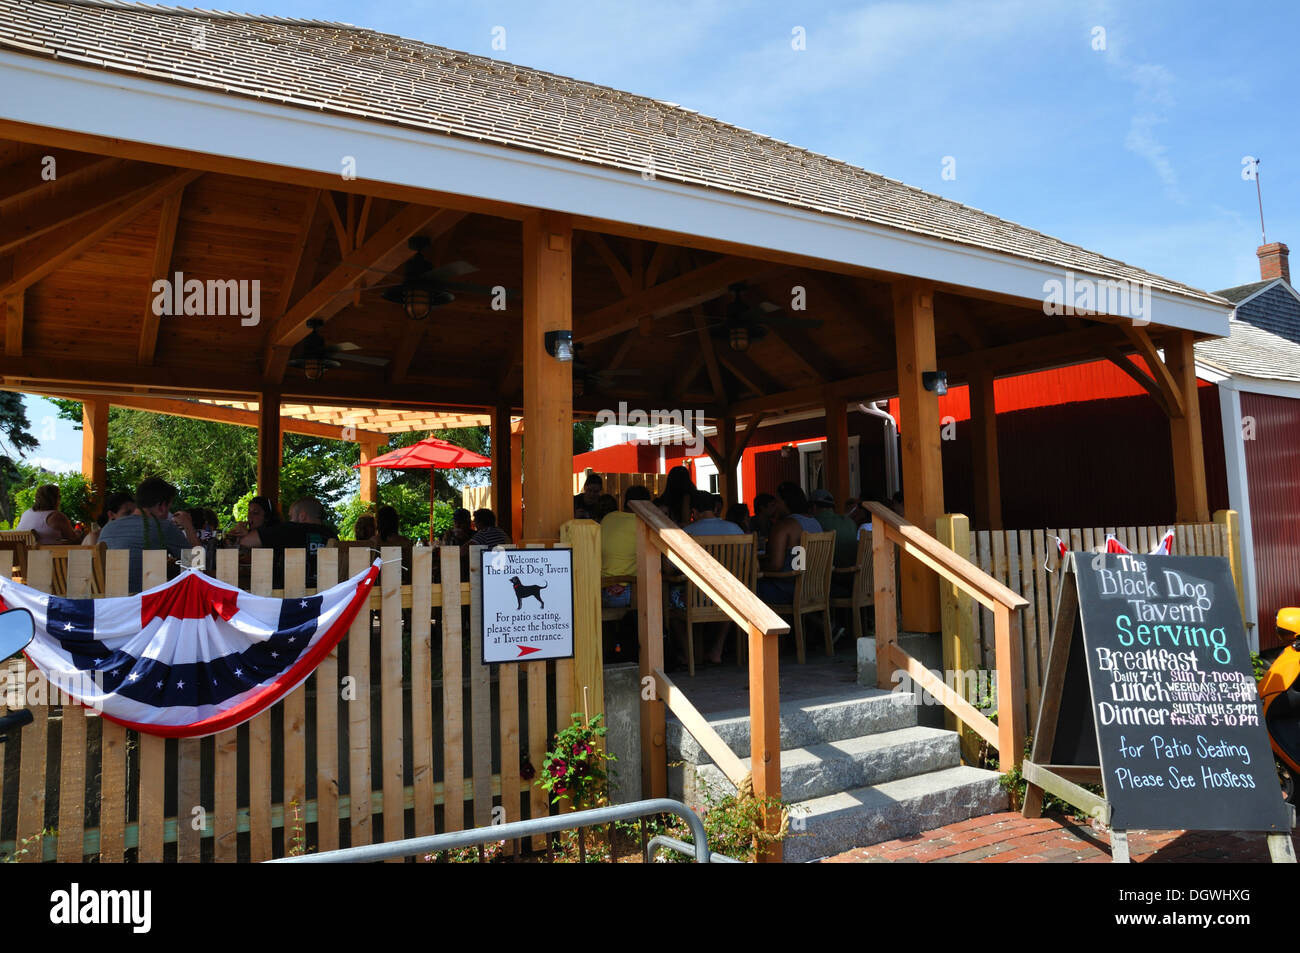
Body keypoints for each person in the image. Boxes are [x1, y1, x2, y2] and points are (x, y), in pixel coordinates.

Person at [99, 477, 198, 592]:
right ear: (162, 506)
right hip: (146, 601)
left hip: (109, 603)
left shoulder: (107, 528)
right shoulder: (164, 527)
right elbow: (196, 564)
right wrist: (188, 524)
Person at [237, 496, 337, 588]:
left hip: (292, 597)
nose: (290, 520)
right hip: (327, 596)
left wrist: (241, 531)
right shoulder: (332, 534)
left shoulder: (291, 529)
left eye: (291, 516)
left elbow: (246, 541)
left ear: (302, 516)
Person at [758, 484, 821, 604]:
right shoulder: (815, 523)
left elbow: (776, 565)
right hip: (814, 589)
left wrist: (755, 568)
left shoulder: (784, 526)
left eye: (777, 501)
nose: (775, 505)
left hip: (788, 590)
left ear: (786, 502)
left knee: (746, 586)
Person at [600, 485, 649, 608]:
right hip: (626, 593)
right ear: (646, 505)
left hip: (599, 590)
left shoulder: (608, 518)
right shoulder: (643, 524)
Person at [17, 484, 82, 544]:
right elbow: (75, 539)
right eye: (59, 496)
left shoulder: (25, 514)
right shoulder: (55, 516)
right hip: (49, 555)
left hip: (24, 555)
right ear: (54, 499)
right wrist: (78, 532)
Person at [810, 488, 859, 567]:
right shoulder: (850, 522)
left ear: (814, 507)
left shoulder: (813, 523)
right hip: (853, 573)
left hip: (831, 575)